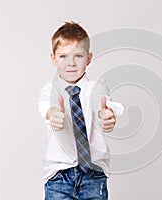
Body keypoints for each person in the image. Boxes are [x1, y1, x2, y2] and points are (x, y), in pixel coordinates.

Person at [38, 21, 124, 200]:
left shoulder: (96, 87)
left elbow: (106, 102)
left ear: (89, 58)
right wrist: (52, 114)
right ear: (53, 59)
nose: (71, 63)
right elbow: (45, 105)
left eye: (78, 56)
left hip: (93, 177)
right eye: (63, 56)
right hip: (59, 177)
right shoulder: (50, 90)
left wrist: (108, 114)